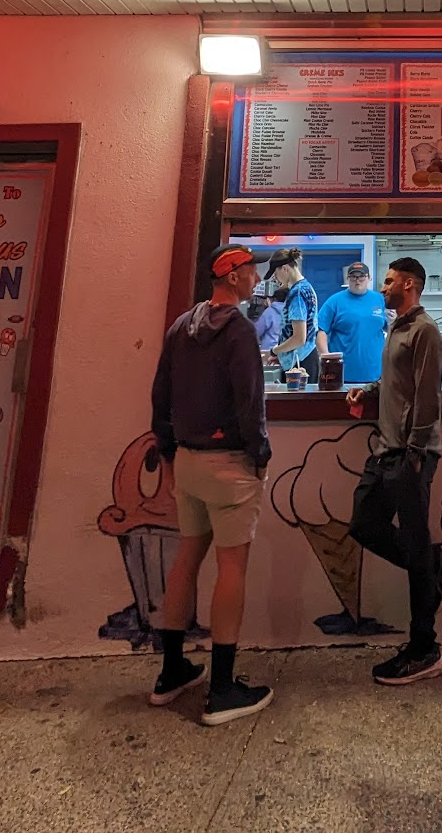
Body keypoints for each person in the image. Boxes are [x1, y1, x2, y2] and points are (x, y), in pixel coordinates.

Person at [148, 243, 274, 726]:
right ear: (234, 276)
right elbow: (250, 400)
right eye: (252, 271)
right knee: (232, 567)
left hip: (188, 459)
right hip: (229, 464)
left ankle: (172, 671)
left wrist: (168, 449)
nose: (257, 279)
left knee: (187, 557)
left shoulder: (183, 324)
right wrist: (258, 454)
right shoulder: (239, 330)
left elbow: (160, 391)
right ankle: (221, 689)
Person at [345, 255, 442, 685]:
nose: (382, 287)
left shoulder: (425, 331)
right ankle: (432, 560)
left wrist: (414, 452)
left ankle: (424, 648)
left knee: (411, 539)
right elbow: (396, 383)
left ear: (408, 284)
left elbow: (427, 397)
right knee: (363, 524)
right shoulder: (397, 328)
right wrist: (367, 389)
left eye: (388, 281)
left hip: (411, 455)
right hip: (388, 451)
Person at [317, 261, 388, 382]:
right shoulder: (335, 301)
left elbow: (390, 328)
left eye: (361, 276)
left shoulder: (380, 299)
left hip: (376, 374)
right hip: (343, 375)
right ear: (347, 278)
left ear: (369, 278)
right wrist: (327, 359)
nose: (357, 280)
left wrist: (394, 320)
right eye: (353, 276)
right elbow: (321, 331)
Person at [267, 247, 318, 383]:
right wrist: (283, 353)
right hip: (303, 357)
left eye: (275, 274)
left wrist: (275, 351)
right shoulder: (306, 288)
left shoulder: (298, 293)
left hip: (300, 363)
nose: (276, 279)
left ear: (284, 268)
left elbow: (299, 338)